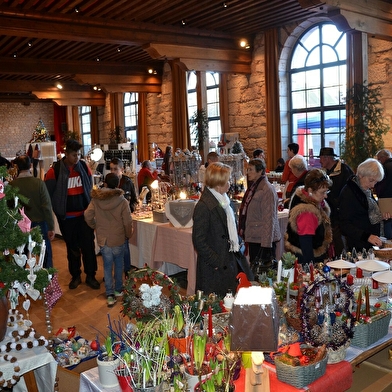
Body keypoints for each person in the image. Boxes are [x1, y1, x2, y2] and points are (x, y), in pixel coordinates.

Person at [45, 139, 100, 290]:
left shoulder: (82, 166)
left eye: (78, 154)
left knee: (88, 247)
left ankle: (91, 275)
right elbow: (48, 195)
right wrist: (56, 211)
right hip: (67, 218)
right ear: (67, 154)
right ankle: (75, 276)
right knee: (72, 249)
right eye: (74, 155)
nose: (77, 158)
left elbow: (89, 185)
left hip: (84, 216)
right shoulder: (54, 171)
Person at [192, 162, 252, 296]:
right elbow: (199, 242)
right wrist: (217, 262)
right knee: (216, 308)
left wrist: (239, 244)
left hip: (230, 261)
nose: (230, 183)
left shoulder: (225, 201)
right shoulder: (204, 206)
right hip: (215, 269)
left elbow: (232, 231)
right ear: (218, 184)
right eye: (227, 180)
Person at [84, 173, 133, 307]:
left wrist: (95, 226)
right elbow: (128, 221)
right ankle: (118, 290)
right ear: (117, 185)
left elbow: (87, 215)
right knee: (119, 265)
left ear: (105, 183)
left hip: (104, 238)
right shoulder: (122, 200)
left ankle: (110, 294)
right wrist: (128, 234)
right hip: (118, 237)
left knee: (106, 266)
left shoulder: (96, 199)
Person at [11, 155, 55, 268]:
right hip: (40, 225)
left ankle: (20, 283)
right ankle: (47, 281)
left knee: (20, 257)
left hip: (20, 226)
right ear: (30, 166)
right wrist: (51, 227)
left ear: (17, 167)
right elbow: (47, 207)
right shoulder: (39, 183)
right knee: (44, 256)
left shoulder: (12, 185)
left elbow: (10, 209)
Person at [238, 159, 281, 274]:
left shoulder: (267, 189)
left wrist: (266, 245)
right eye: (248, 169)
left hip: (263, 240)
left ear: (260, 171)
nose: (248, 172)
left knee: (264, 273)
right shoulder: (254, 187)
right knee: (255, 271)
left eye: (251, 170)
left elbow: (269, 218)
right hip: (254, 236)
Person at [339, 158, 389, 251]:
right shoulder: (349, 193)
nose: (373, 185)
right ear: (361, 175)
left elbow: (366, 216)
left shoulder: (365, 191)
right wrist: (367, 236)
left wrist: (381, 216)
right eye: (371, 180)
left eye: (376, 182)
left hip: (369, 244)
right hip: (358, 246)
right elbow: (344, 224)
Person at [285, 169, 333, 265]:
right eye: (322, 192)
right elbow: (306, 245)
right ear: (310, 190)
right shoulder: (307, 212)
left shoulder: (302, 194)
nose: (326, 196)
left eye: (326, 191)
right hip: (308, 257)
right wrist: (311, 267)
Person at [318, 147, 353, 257]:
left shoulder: (344, 170)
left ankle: (343, 260)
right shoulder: (325, 172)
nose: (320, 161)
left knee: (339, 240)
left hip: (341, 213)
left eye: (321, 158)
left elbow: (350, 191)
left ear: (327, 158)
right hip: (330, 213)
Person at [110, 157, 138, 274]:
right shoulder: (108, 183)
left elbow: (134, 200)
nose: (113, 172)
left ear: (122, 169)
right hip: (112, 222)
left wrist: (129, 210)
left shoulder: (128, 182)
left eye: (115, 169)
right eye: (111, 169)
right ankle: (111, 273)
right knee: (111, 250)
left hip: (124, 220)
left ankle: (127, 271)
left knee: (125, 248)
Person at [375, 149, 392, 239]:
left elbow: (380, 184)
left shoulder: (384, 168)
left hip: (386, 199)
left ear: (383, 158)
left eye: (379, 159)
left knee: (387, 220)